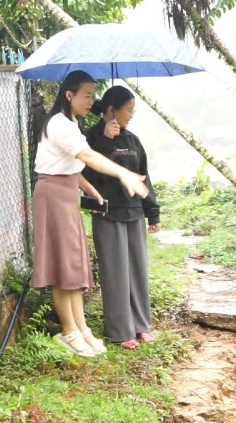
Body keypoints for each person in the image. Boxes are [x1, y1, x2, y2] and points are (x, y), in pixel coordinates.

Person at [32, 71, 149, 357]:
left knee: (73, 264)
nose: (91, 100)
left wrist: (92, 191)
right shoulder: (60, 124)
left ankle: (82, 328)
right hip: (53, 195)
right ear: (69, 95)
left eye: (93, 95)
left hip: (66, 191)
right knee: (62, 265)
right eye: (86, 95)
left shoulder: (71, 122)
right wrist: (124, 174)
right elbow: (86, 157)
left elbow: (72, 166)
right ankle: (69, 330)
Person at [83, 85, 161, 350]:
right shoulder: (90, 139)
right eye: (128, 110)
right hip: (107, 213)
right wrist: (105, 141)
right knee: (115, 272)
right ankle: (120, 330)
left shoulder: (132, 140)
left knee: (137, 271)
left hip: (134, 213)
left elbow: (144, 177)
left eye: (133, 111)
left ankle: (141, 325)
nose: (131, 115)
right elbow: (87, 175)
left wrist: (153, 212)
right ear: (110, 110)